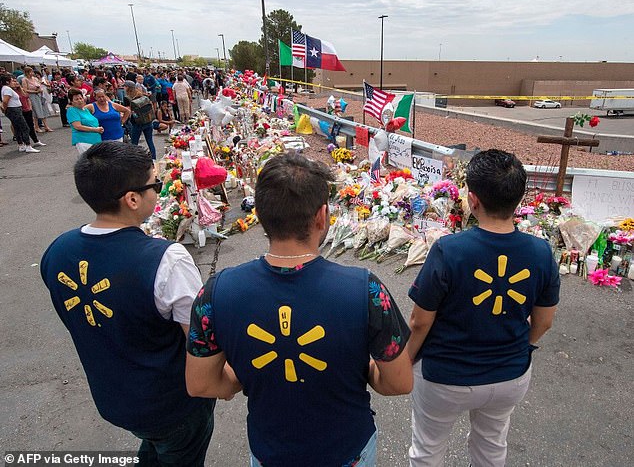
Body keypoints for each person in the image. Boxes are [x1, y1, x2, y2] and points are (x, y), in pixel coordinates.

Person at [186, 153, 413, 466]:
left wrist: (244, 375)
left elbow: (202, 384)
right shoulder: (365, 290)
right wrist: (365, 371)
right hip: (346, 451)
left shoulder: (216, 291)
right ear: (322, 216)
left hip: (271, 451)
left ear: (261, 216)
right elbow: (399, 382)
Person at [40, 141, 215, 466]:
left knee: (155, 446)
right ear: (132, 199)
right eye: (155, 184)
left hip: (112, 397)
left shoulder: (58, 250)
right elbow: (200, 340)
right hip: (171, 404)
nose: (159, 190)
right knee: (179, 451)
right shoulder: (166, 260)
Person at [406, 149, 560, 467]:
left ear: (472, 200)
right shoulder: (541, 252)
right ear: (519, 198)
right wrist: (518, 347)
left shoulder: (449, 250)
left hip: (445, 377)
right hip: (510, 375)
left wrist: (404, 360)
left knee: (427, 450)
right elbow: (543, 322)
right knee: (491, 448)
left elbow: (420, 321)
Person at [1, 75, 39, 153]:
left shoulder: (6, 89)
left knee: (17, 127)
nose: (14, 82)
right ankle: (28, 145)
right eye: (12, 81)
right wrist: (4, 109)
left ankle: (21, 145)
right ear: (8, 82)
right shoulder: (7, 89)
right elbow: (5, 101)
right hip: (14, 110)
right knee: (25, 128)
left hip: (14, 109)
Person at [124, 81, 157, 159]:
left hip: (136, 123)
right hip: (148, 121)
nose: (124, 88)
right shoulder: (141, 95)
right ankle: (154, 158)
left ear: (128, 88)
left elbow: (128, 111)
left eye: (125, 86)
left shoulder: (127, 98)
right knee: (150, 141)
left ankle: (135, 159)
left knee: (134, 143)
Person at [67, 88, 103, 155]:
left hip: (96, 140)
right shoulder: (72, 110)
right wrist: (96, 130)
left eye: (81, 98)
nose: (80, 101)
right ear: (71, 101)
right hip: (84, 141)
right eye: (76, 99)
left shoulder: (85, 110)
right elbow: (78, 126)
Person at [20, 66, 53, 132]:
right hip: (32, 96)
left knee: (43, 110)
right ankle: (36, 127)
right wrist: (35, 91)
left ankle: (46, 126)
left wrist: (39, 89)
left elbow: (39, 85)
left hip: (39, 95)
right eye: (30, 72)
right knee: (36, 111)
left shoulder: (35, 78)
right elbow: (25, 90)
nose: (32, 73)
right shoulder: (24, 79)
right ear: (27, 72)